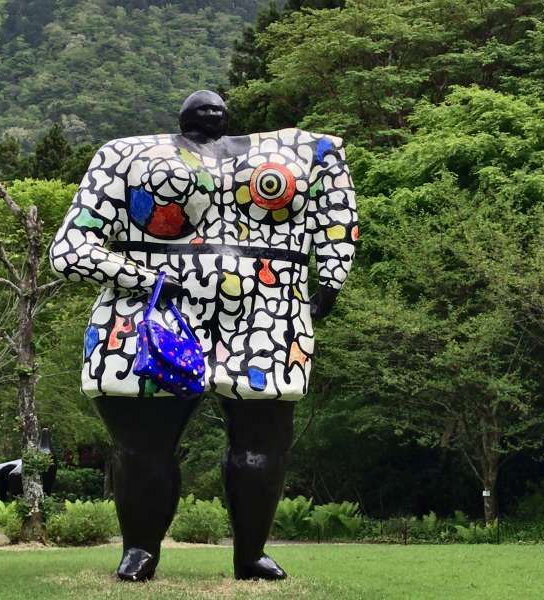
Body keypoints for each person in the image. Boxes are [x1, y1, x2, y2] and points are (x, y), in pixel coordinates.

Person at [49, 90, 357, 581]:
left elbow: (336, 216)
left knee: (262, 441)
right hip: (154, 316)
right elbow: (69, 249)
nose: (211, 113)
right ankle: (140, 549)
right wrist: (146, 278)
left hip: (266, 311)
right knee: (143, 444)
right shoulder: (123, 155)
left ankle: (251, 552)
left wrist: (332, 276)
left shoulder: (309, 154)